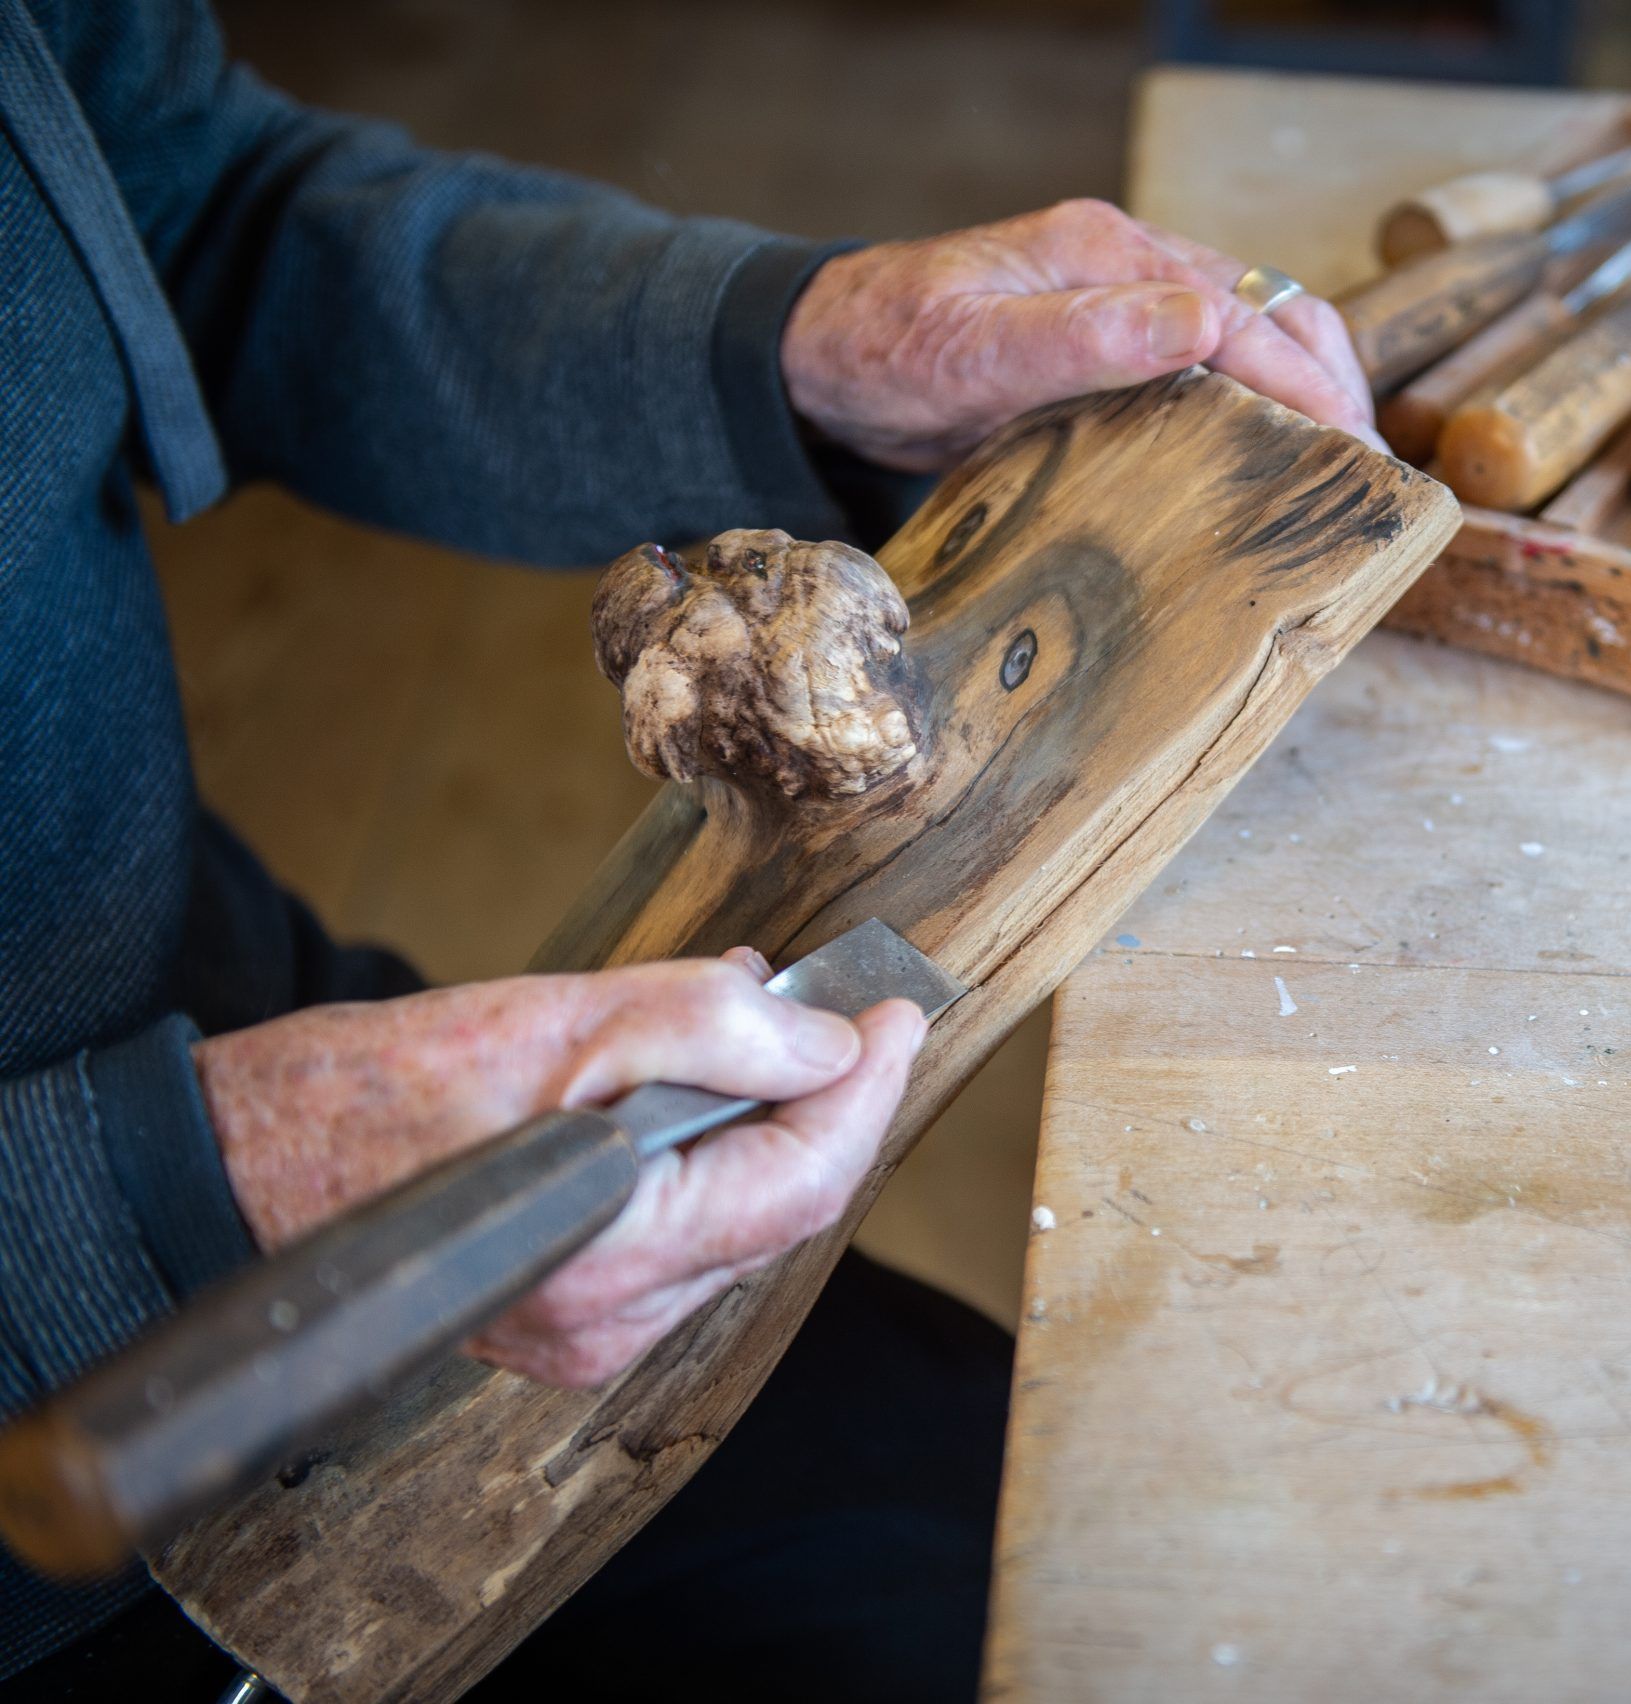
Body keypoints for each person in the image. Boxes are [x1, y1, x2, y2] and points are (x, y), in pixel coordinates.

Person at [0, 0, 1374, 1695]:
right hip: (101, 1443)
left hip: (241, 1049)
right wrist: (161, 1210)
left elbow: (195, 203)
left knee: (1049, 1538)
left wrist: (790, 341)